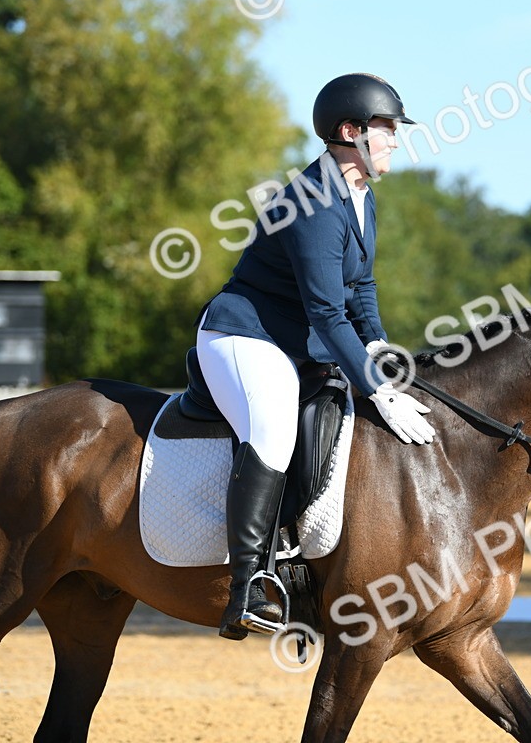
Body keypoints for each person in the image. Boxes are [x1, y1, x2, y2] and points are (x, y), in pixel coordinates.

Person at [195, 73, 436, 640]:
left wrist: (377, 343)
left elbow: (361, 287)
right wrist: (377, 390)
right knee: (274, 427)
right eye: (387, 128)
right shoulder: (313, 202)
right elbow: (328, 312)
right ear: (350, 132)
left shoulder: (360, 195)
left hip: (295, 342)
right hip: (245, 336)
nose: (396, 139)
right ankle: (248, 586)